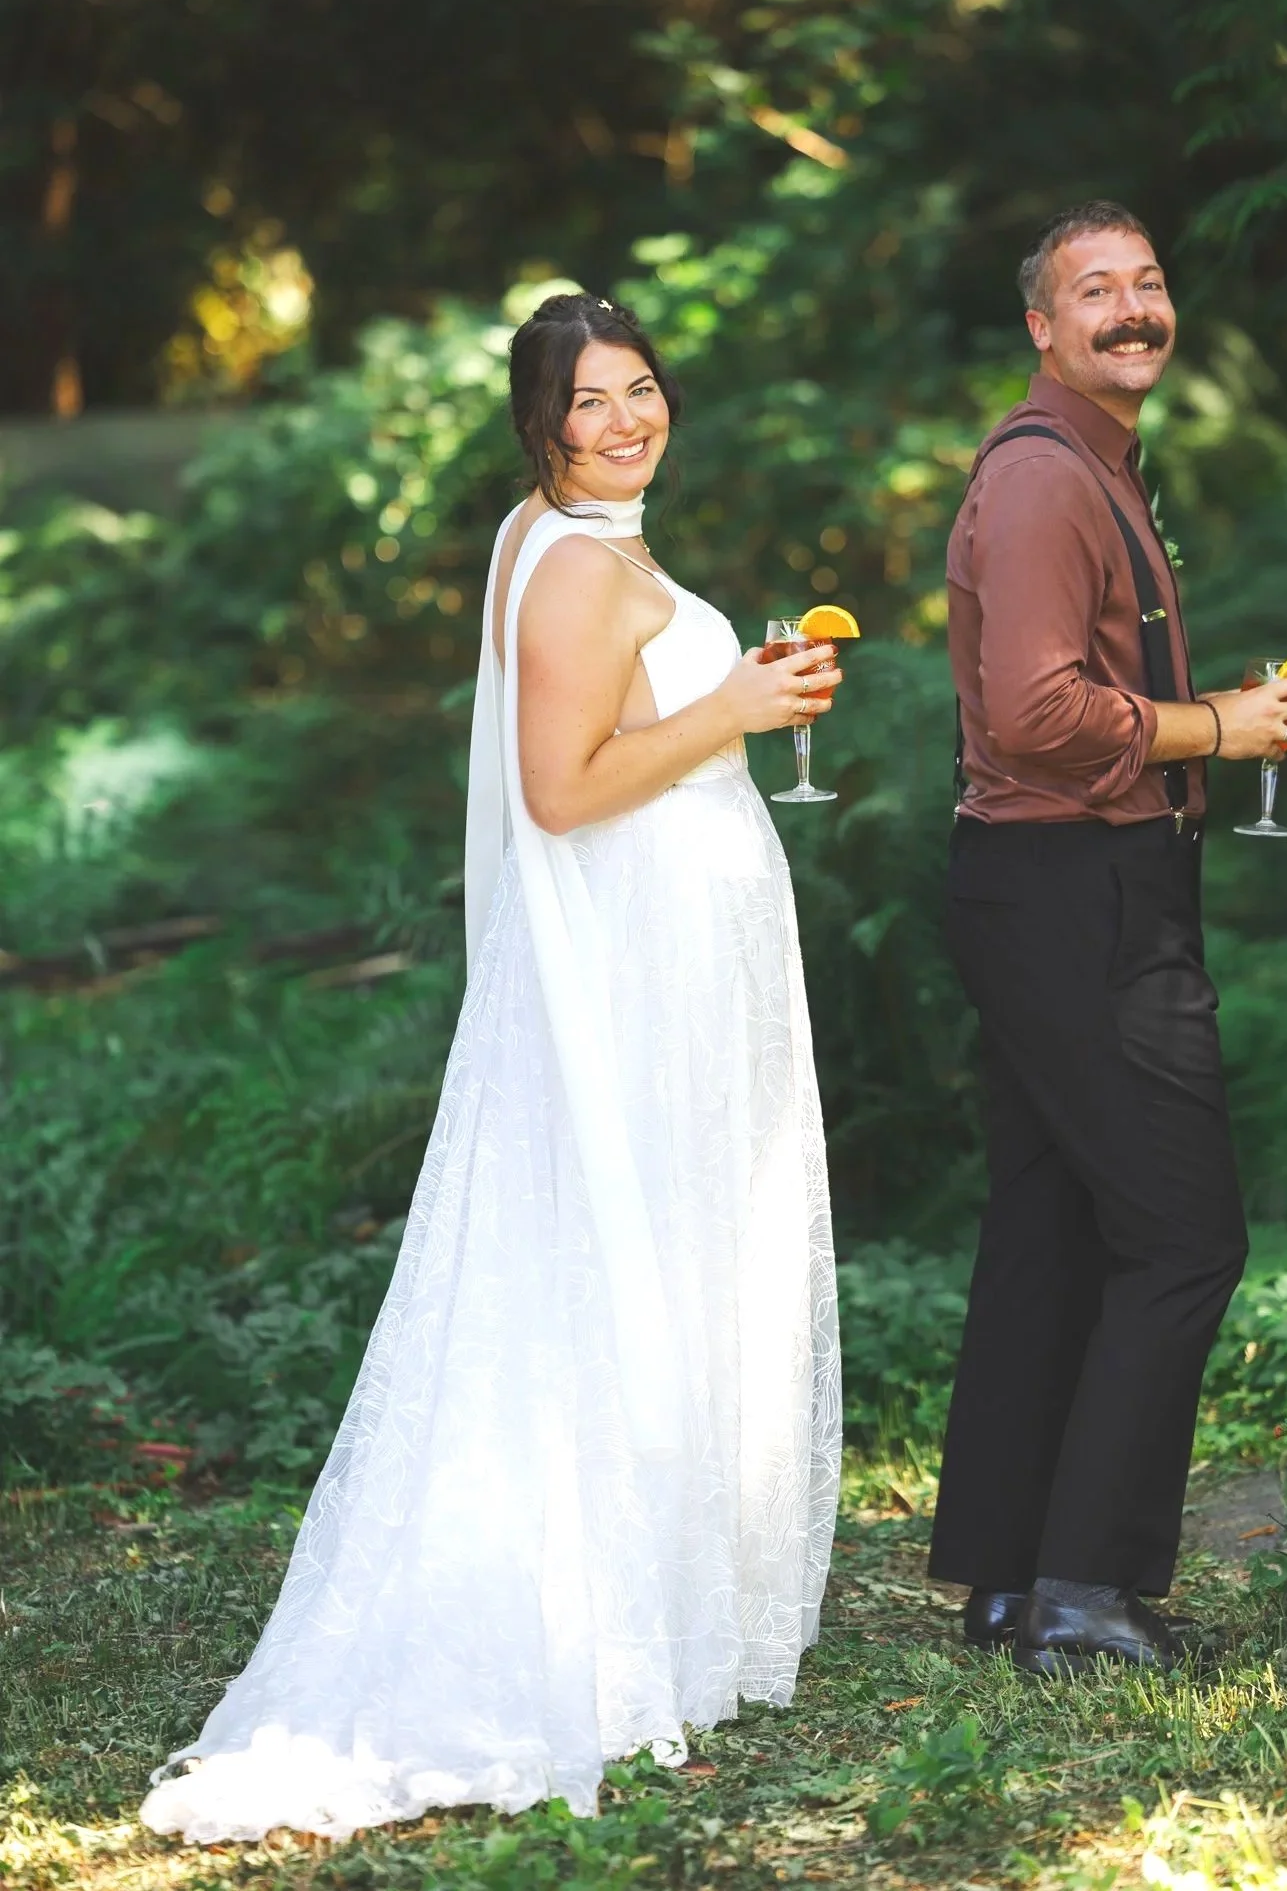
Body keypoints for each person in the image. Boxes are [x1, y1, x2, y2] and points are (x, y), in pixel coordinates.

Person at [141, 292, 842, 1841]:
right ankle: (590, 1637)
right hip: (639, 970)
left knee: (639, 1263)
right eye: (592, 401)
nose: (627, 419)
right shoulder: (576, 564)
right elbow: (561, 789)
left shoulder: (565, 535)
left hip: (660, 964)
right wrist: (732, 706)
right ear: (541, 422)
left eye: (642, 387)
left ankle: (646, 1605)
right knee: (626, 1271)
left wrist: (722, 702)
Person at [928, 202, 1287, 1675]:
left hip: (1055, 883)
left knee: (1053, 1223)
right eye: (1096, 290)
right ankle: (1087, 1590)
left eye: (1147, 282)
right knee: (1183, 1237)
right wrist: (1215, 725)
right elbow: (1035, 711)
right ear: (1044, 326)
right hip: (1075, 890)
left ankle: (1010, 1577)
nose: (1133, 308)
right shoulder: (1045, 479)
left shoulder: (1090, 463)